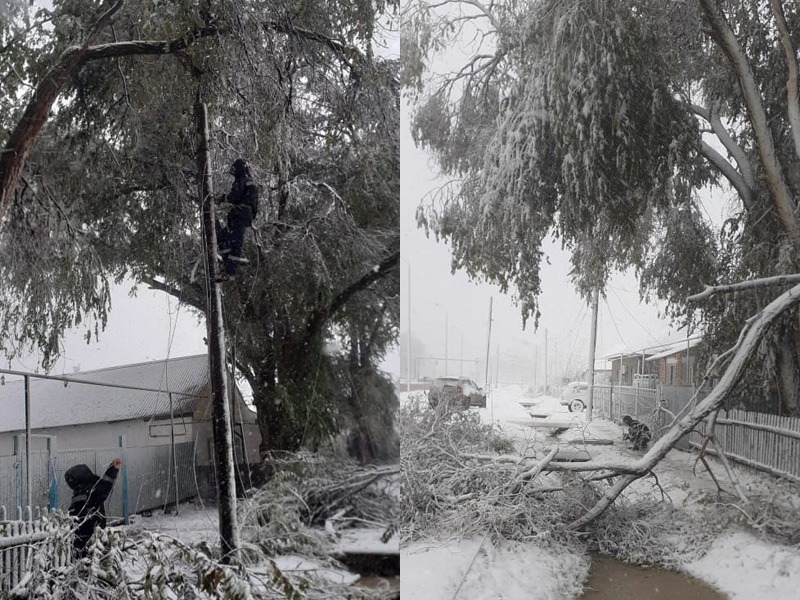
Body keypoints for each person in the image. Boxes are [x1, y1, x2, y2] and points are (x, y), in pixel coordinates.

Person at [64, 457, 122, 557]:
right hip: (90, 532)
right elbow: (104, 484)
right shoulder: (85, 490)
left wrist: (112, 468)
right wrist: (112, 468)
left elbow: (104, 486)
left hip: (87, 532)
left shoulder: (86, 490)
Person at [216, 158, 259, 283]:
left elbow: (233, 197)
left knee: (235, 243)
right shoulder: (250, 182)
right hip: (243, 215)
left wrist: (222, 198)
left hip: (240, 215)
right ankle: (228, 267)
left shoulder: (243, 181)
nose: (233, 174)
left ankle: (230, 272)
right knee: (223, 237)